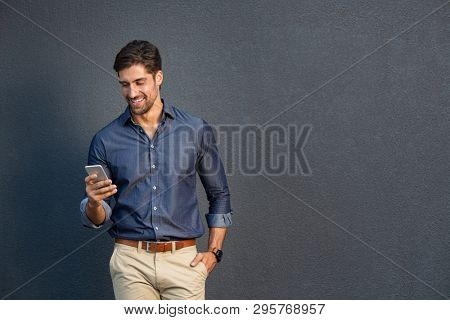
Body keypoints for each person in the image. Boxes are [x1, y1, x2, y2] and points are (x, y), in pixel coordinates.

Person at [79, 40, 233, 300]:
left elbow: (219, 195)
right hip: (131, 264)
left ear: (158, 77)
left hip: (184, 262)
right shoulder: (105, 139)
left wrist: (214, 252)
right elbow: (99, 216)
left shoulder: (195, 130)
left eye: (139, 82)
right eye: (124, 84)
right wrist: (93, 203)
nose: (131, 92)